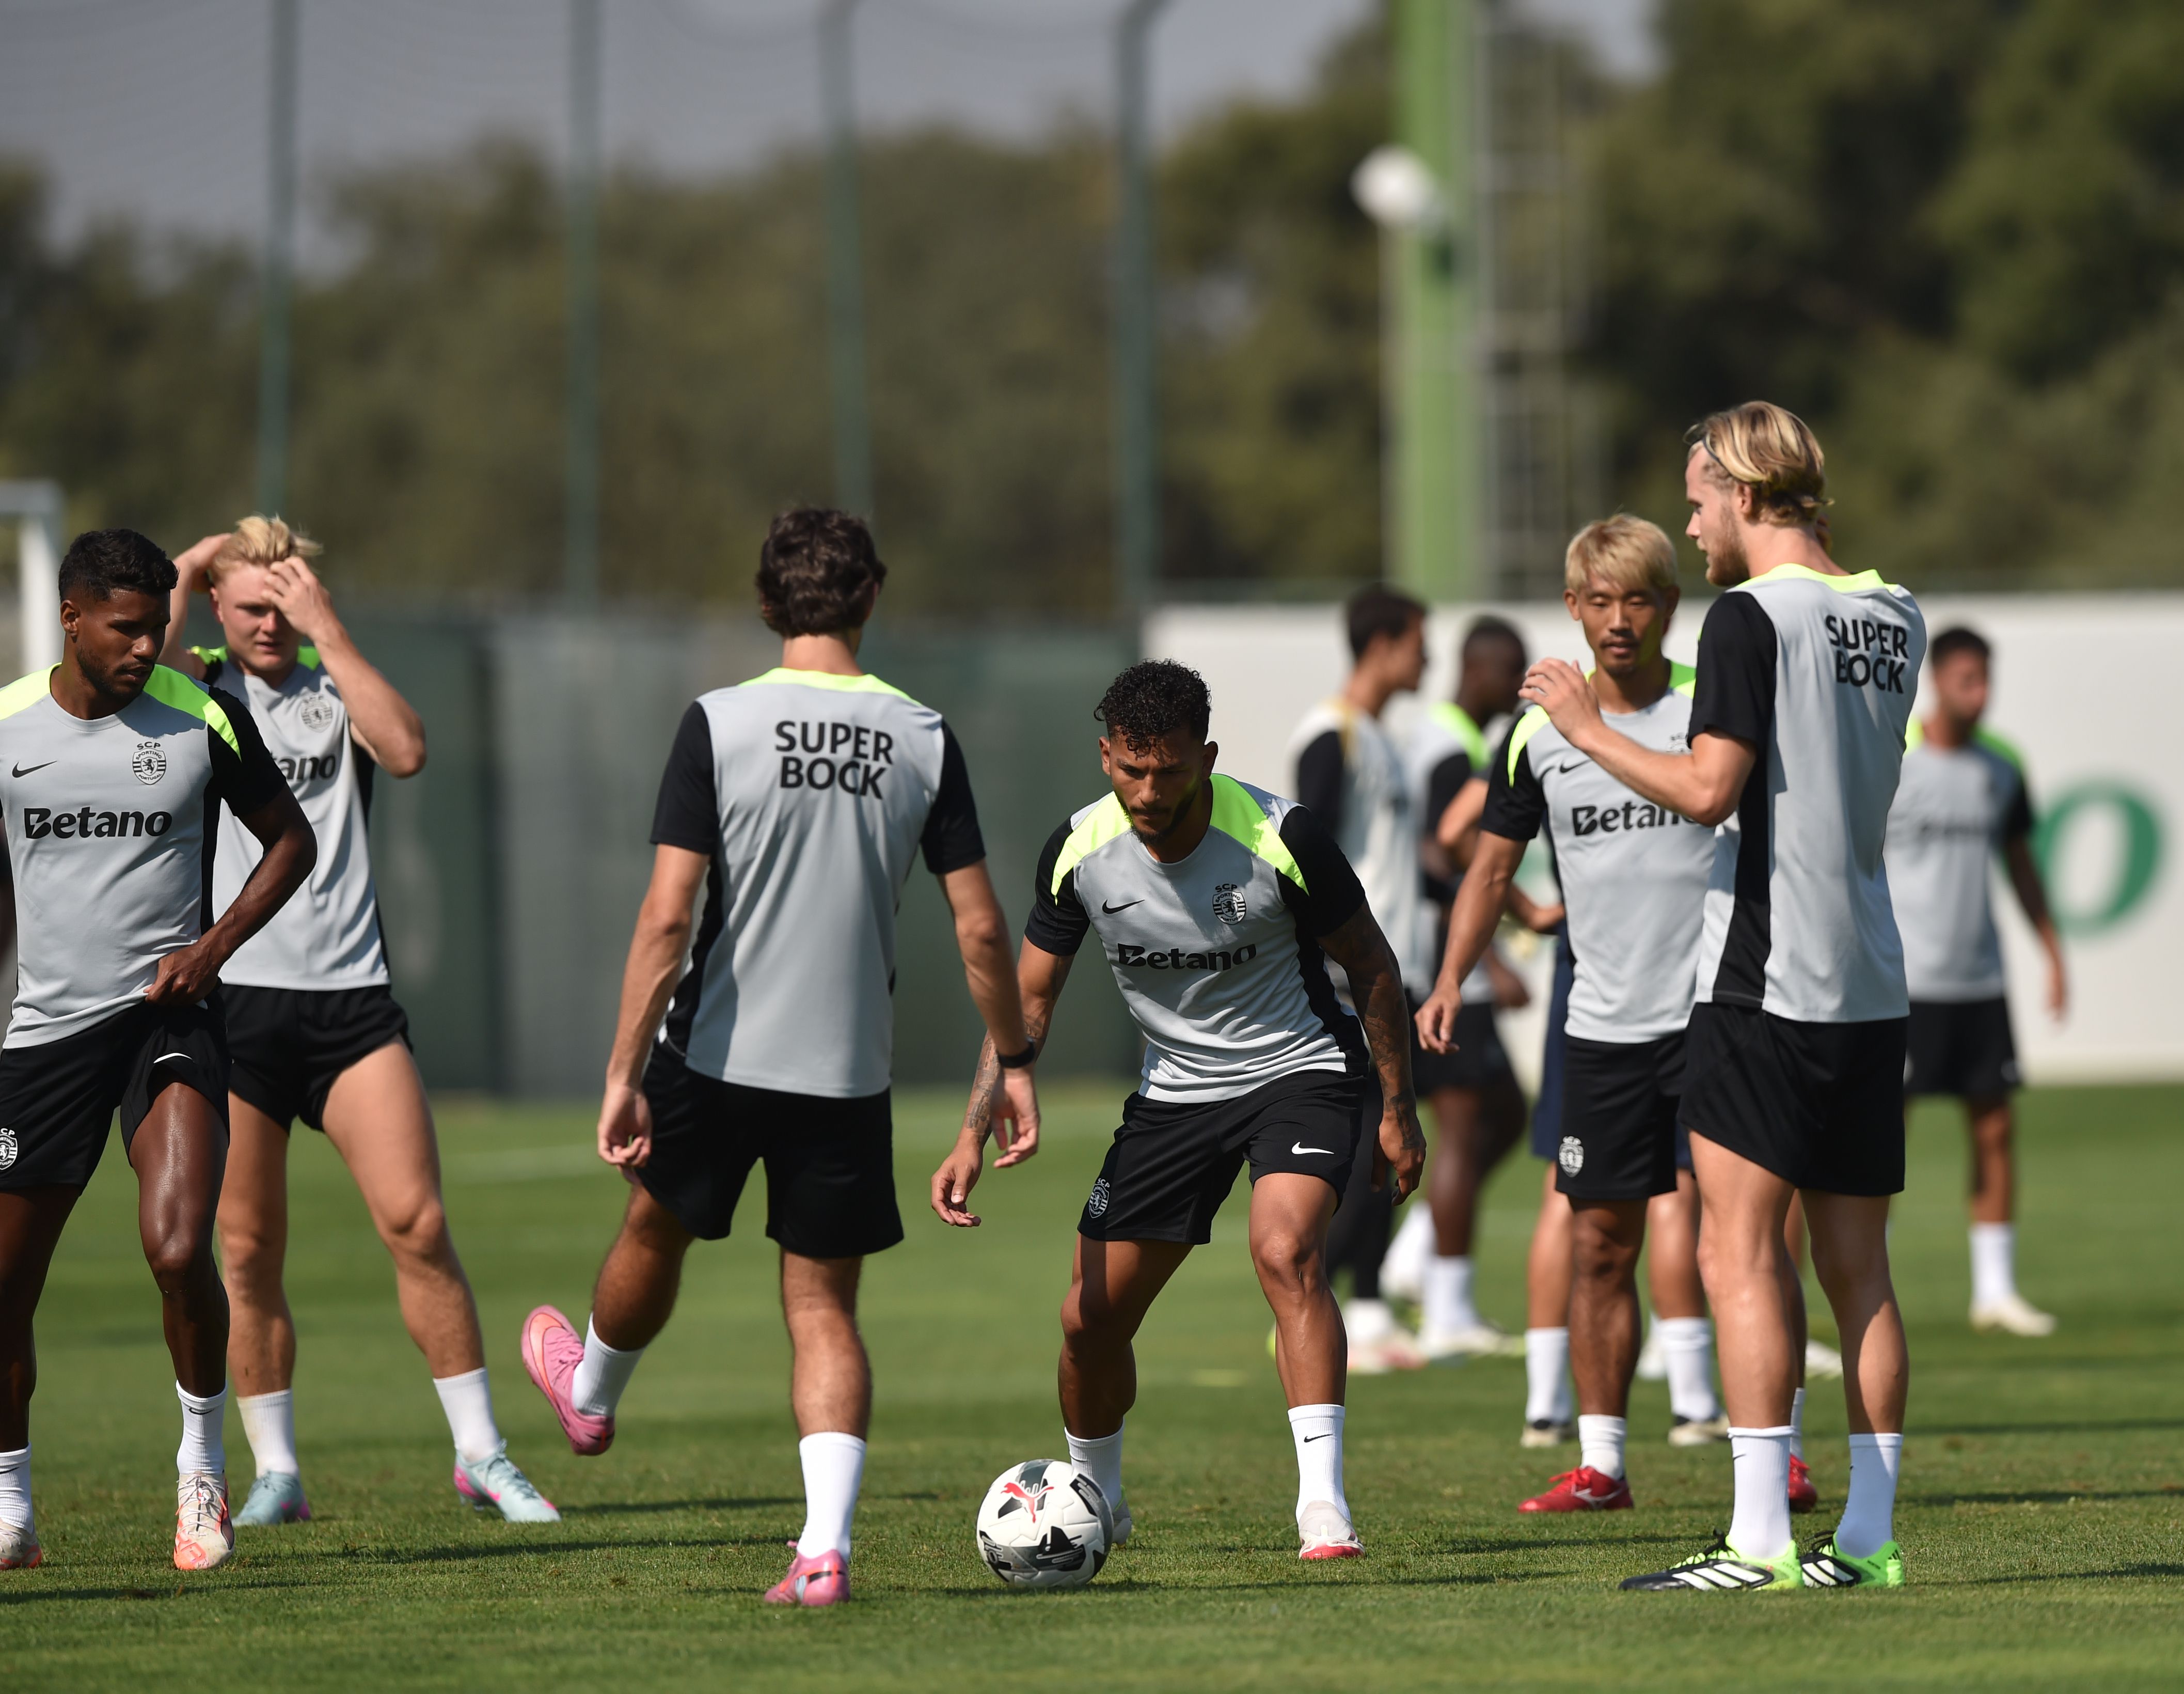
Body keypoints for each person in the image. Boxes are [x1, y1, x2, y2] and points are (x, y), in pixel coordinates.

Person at [516, 509, 1039, 1606]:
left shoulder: (719, 721)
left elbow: (668, 917)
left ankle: (592, 1393)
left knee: (652, 1225)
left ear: (765, 602)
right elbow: (984, 929)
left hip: (715, 1050)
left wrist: (621, 1073)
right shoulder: (924, 734)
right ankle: (823, 1551)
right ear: (871, 595)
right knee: (823, 1309)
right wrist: (1014, 1053)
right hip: (847, 1070)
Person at [1526, 403, 1921, 1594]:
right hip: (1869, 976)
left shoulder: (1750, 615)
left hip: (1762, 977)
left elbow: (1708, 789)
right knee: (1860, 1271)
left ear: (1745, 493)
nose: (1691, 525)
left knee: (1736, 1252)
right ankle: (1868, 1538)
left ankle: (1757, 1538)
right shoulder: (1896, 611)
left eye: (1699, 499)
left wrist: (1581, 726)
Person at [935, 660, 1423, 1561]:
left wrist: (1398, 1107)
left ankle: (1323, 1506)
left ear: (1207, 757)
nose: (1150, 791)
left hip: (1300, 1070)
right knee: (1087, 1323)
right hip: (1176, 1095)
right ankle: (1098, 1499)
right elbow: (1029, 998)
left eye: (1169, 770)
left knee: (1286, 1251)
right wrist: (973, 1130)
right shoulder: (1079, 851)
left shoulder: (1282, 837)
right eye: (1132, 769)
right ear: (1106, 757)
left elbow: (1373, 965)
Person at [156, 518, 557, 1528]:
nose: (268, 623)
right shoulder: (197, 689)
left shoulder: (335, 687)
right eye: (250, 606)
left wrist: (327, 628)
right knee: (247, 1249)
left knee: (418, 1224)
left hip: (350, 1003)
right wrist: (189, 566)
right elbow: (142, 657)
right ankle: (277, 1472)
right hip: (238, 1009)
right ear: (217, 607)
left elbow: (409, 750)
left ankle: (482, 1454)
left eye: (283, 604)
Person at [0, 528, 314, 1573]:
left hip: (167, 1023)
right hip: (44, 1036)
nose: (145, 647)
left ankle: (200, 1471)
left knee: (179, 1250)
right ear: (71, 618)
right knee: (5, 1287)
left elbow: (292, 840)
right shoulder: (6, 726)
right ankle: (10, 1505)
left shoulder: (202, 716)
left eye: (156, 627)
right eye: (125, 629)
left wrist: (211, 949)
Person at [1419, 515, 1729, 1512]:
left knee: (1744, 1239)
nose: (1618, 620)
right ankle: (1603, 1466)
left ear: (1669, 605)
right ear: (1572, 609)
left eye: (1637, 599)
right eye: (1599, 602)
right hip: (1601, 1031)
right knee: (1600, 1246)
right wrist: (1448, 980)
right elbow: (1487, 869)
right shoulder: (1535, 735)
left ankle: (1781, 1451)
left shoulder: (1713, 708)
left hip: (1719, 1017)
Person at [1886, 625, 2069, 1337]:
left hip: (1979, 980)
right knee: (1880, 1139)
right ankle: (1865, 1283)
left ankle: (1995, 1292)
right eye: (1967, 679)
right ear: (1937, 680)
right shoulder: (1893, 756)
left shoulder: (2001, 765)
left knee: (1994, 1127)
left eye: (1987, 679)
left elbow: (2019, 862)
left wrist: (2051, 950)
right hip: (1901, 983)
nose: (1980, 694)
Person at [1381, 616, 1532, 1359]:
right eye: (1512, 671)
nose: (1519, 686)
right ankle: (1447, 1308)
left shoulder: (1454, 738)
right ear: (1479, 671)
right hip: (1446, 966)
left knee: (1503, 1114)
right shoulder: (1451, 747)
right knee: (1465, 1129)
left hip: (1445, 960)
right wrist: (1490, 960)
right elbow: (1447, 852)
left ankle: (1417, 1255)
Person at [1289, 586, 1431, 1372]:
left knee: (1394, 1136)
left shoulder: (1381, 737)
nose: (1427, 658)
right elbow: (1306, 856)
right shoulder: (1332, 733)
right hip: (1353, 980)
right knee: (1374, 1133)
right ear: (1382, 645)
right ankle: (1303, 1303)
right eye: (1417, 642)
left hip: (1396, 968)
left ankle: (1367, 1302)